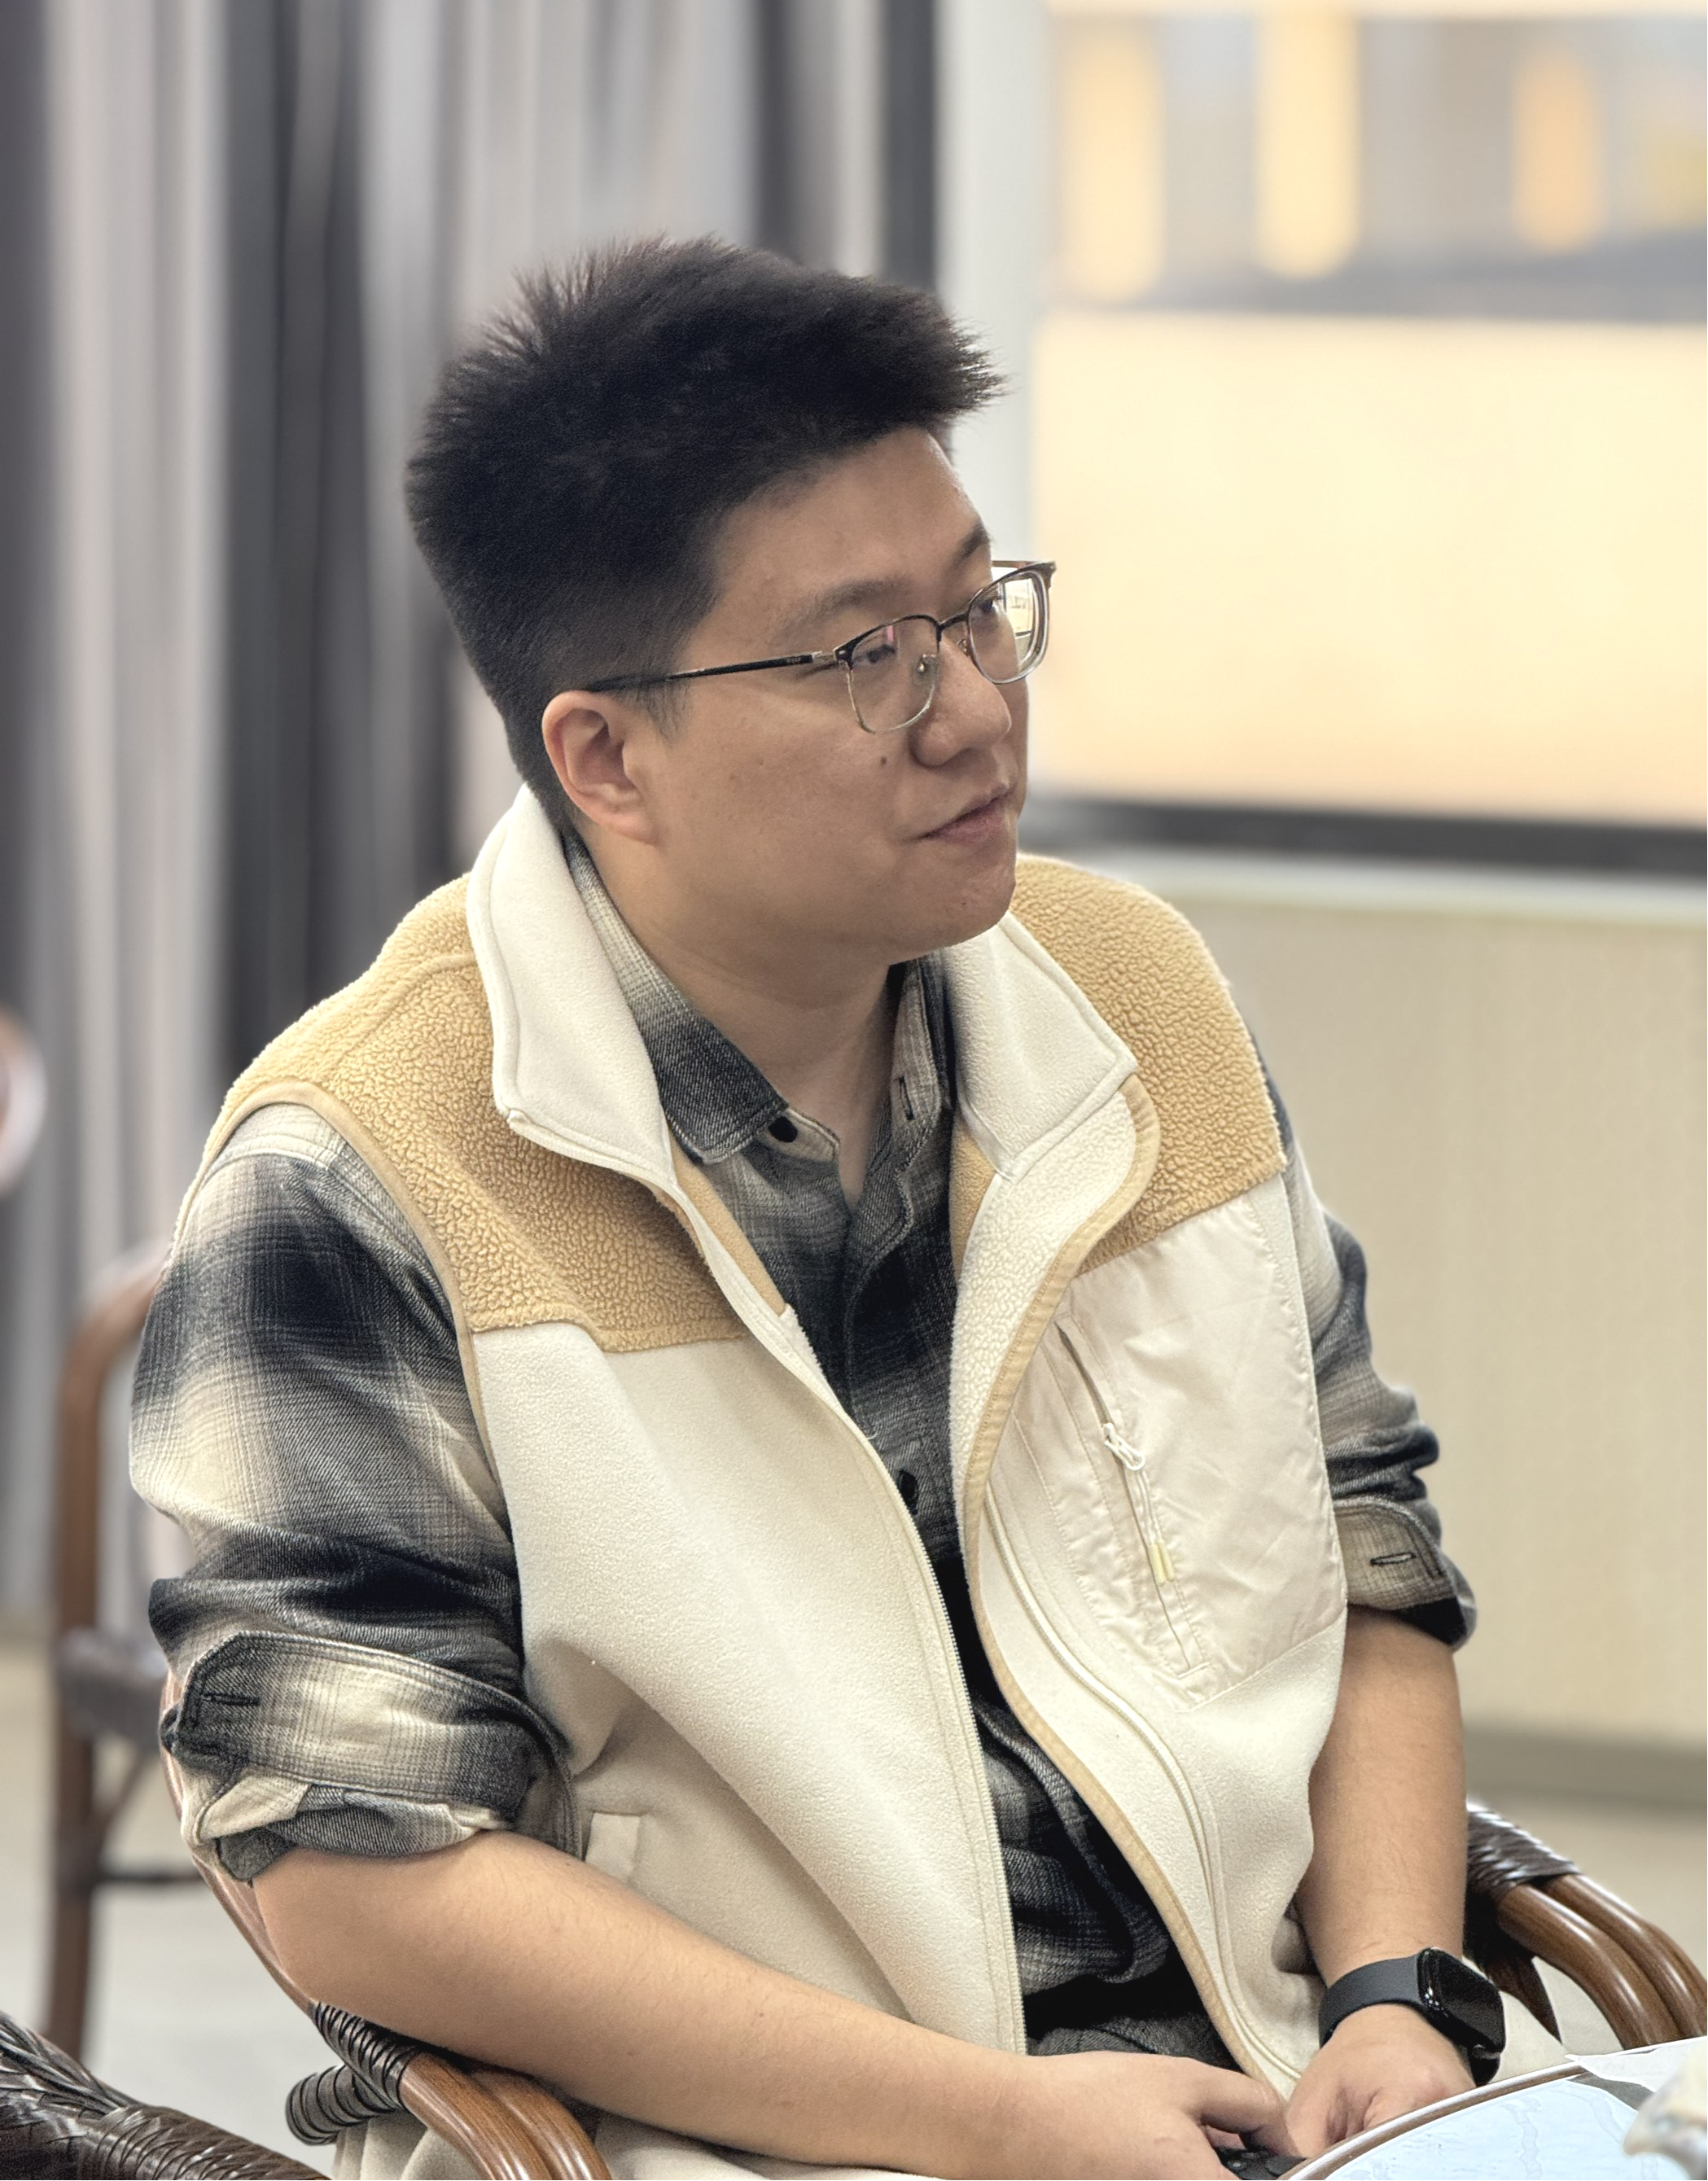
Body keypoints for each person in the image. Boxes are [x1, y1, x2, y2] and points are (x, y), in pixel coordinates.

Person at [134, 238, 1513, 2181]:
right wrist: (1002, 2123)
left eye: (979, 609)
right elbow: (353, 1875)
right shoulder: (358, 1173)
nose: (973, 715)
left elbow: (1360, 1546)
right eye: (862, 656)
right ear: (605, 756)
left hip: (1260, 2094)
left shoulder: (1134, 999)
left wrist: (1390, 1996)